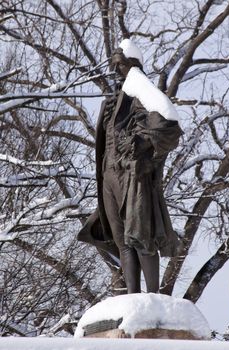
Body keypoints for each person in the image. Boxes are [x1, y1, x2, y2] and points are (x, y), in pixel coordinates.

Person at [78, 39, 183, 293]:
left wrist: (144, 150)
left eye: (120, 65)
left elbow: (169, 126)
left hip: (131, 178)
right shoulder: (111, 103)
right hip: (108, 178)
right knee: (122, 241)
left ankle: (152, 298)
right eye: (114, 66)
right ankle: (133, 299)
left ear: (132, 66)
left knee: (140, 238)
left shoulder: (140, 95)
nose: (115, 71)